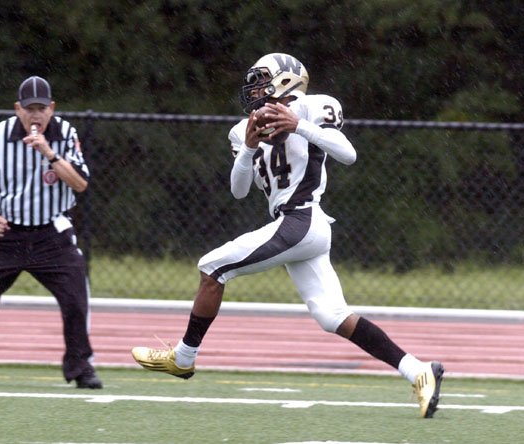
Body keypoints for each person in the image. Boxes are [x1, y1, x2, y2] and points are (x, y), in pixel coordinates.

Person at [132, 53, 444, 417]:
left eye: (262, 79)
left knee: (212, 267)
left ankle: (183, 358)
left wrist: (299, 126)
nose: (254, 88)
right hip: (296, 227)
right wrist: (248, 148)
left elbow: (349, 155)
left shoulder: (313, 107)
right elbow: (238, 190)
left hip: (303, 219)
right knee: (332, 316)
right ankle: (418, 370)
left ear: (286, 80)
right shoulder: (241, 128)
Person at [0, 75, 102, 389]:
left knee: (76, 298)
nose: (35, 115)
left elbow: (80, 183)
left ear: (52, 108)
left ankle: (81, 367)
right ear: (17, 109)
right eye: (29, 109)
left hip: (51, 233)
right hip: (5, 234)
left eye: (41, 108)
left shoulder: (65, 133)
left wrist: (49, 153)